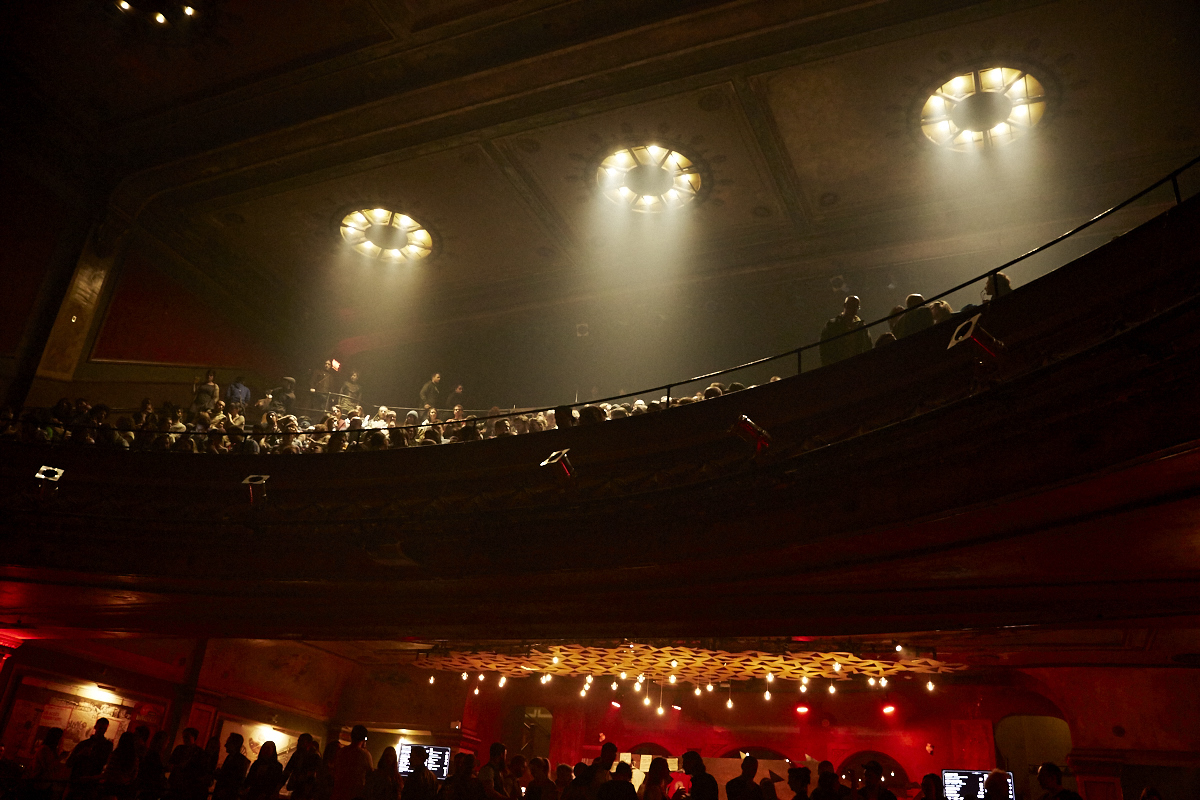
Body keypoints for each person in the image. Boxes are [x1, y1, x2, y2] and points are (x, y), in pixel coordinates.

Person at [66, 718, 113, 799]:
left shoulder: (107, 746)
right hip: (78, 782)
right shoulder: (84, 744)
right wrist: (80, 755)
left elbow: (104, 762)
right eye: (100, 728)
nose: (102, 731)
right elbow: (69, 763)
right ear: (95, 727)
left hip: (90, 784)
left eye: (104, 729)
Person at [819, 296, 872, 366]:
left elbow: (868, 345)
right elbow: (824, 348)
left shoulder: (861, 326)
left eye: (856, 307)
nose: (854, 309)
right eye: (852, 306)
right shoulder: (833, 325)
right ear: (845, 305)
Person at [331, 727, 373, 800]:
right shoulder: (365, 754)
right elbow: (370, 774)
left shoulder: (341, 752)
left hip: (339, 792)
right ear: (364, 739)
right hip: (355, 794)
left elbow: (335, 769)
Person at [25, 727, 65, 800]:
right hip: (40, 784)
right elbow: (48, 767)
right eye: (60, 737)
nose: (61, 740)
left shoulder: (51, 750)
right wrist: (60, 758)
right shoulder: (44, 749)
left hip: (47, 784)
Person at [168, 728, 208, 800]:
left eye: (187, 736)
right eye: (184, 737)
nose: (184, 739)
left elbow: (200, 770)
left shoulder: (199, 752)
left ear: (194, 737)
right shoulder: (179, 749)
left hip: (189, 787)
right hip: (175, 783)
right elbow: (171, 763)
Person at [99, 732, 141, 799]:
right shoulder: (134, 758)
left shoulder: (115, 755)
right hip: (125, 789)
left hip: (111, 787)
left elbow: (108, 773)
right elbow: (134, 776)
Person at [284, 734, 322, 800]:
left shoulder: (315, 757)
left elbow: (316, 775)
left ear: (309, 743)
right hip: (297, 789)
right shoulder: (297, 754)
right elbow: (288, 770)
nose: (299, 744)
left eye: (302, 741)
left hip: (307, 792)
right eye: (299, 741)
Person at [212, 735, 249, 800]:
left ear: (235, 744)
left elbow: (237, 780)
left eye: (228, 743)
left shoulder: (240, 760)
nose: (225, 745)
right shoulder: (230, 757)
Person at [135, 731, 169, 800]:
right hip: (148, 792)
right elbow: (155, 776)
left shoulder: (149, 754)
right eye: (167, 742)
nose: (167, 745)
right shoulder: (155, 757)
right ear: (162, 743)